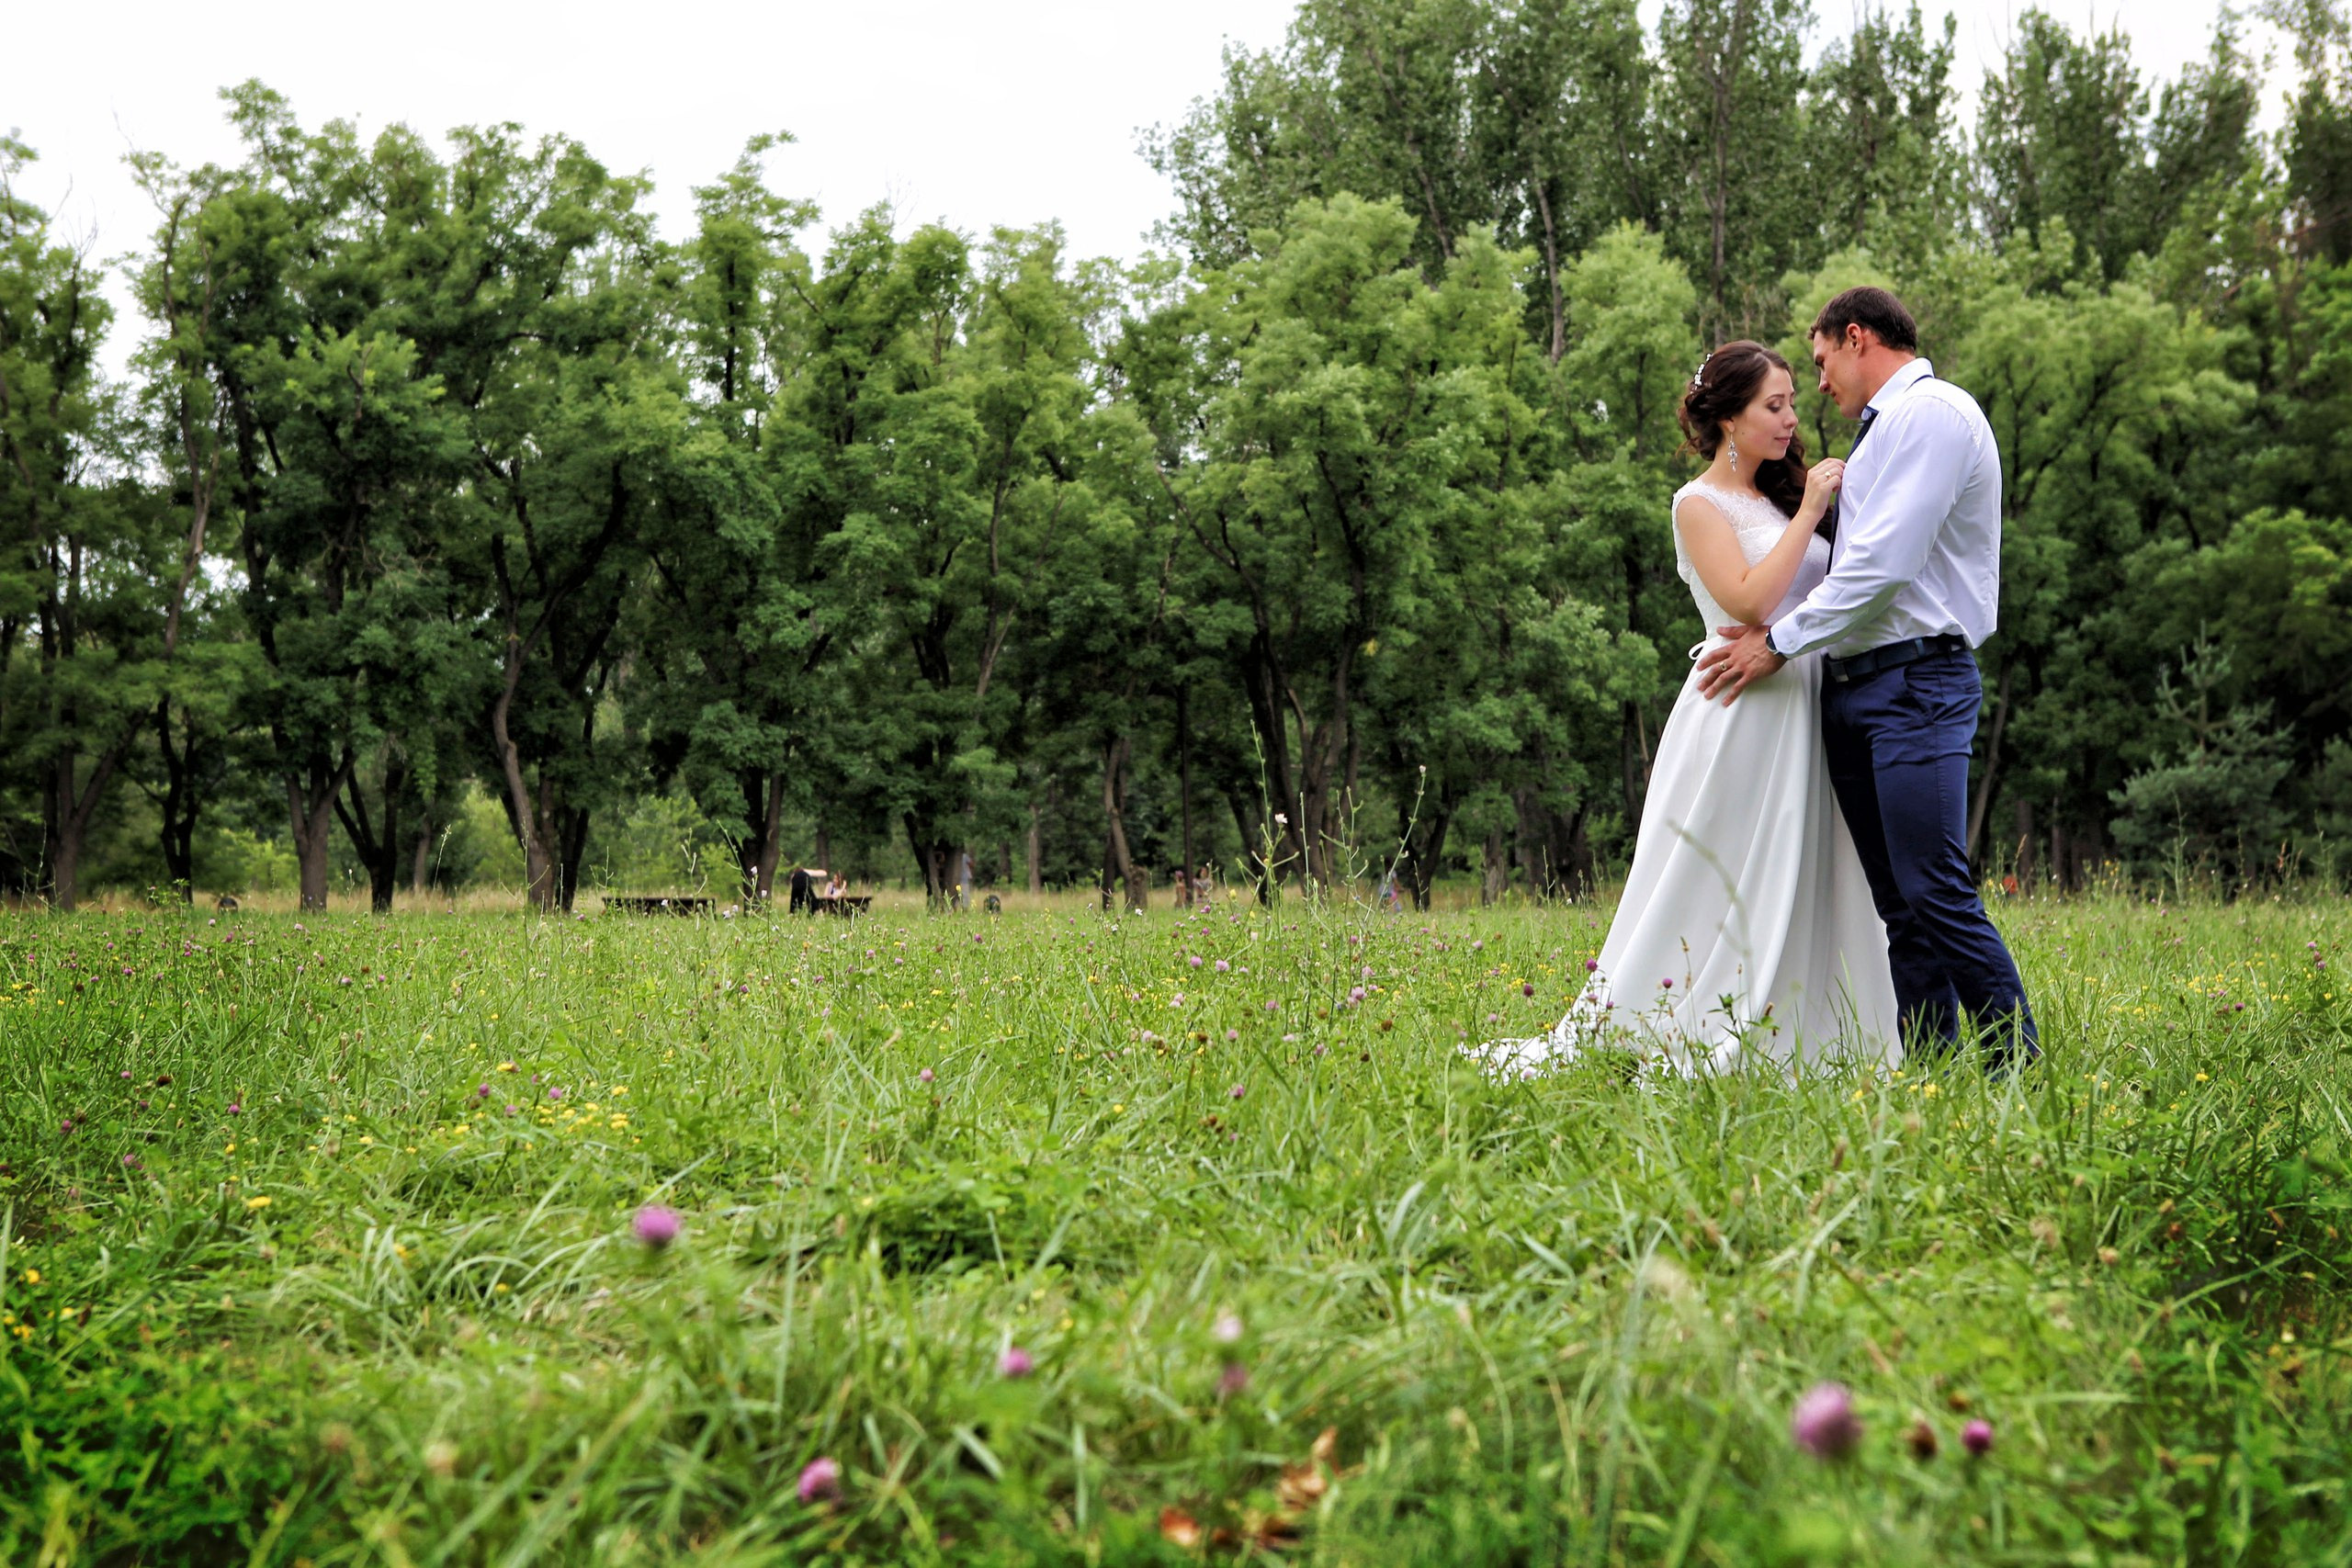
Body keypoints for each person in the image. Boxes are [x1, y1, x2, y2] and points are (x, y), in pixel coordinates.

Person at [1477, 340, 1898, 1077]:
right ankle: (1698, 1017)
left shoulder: (1775, 495)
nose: (1791, 419)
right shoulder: (1697, 504)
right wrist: (1811, 511)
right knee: (1724, 874)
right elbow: (1748, 599)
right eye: (1774, 405)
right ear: (1730, 418)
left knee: (1817, 872)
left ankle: (1823, 1027)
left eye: (1792, 403)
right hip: (1743, 710)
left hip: (1808, 700)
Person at [1695, 288, 2038, 1071]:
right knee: (1900, 905)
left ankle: (2014, 1064)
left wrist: (1777, 643)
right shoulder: (1882, 431)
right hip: (1853, 687)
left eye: (1821, 362)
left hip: (1916, 682)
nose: (1817, 383)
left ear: (1857, 338)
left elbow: (1884, 566)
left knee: (1934, 886)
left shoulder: (1932, 416)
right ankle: (1933, 1068)